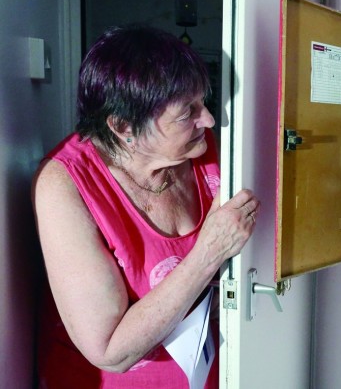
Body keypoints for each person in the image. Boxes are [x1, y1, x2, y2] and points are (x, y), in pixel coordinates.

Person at [32, 25, 259, 388]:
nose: (209, 120)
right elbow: (110, 351)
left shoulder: (203, 149)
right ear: (124, 126)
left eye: (203, 102)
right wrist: (209, 252)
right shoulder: (65, 183)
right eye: (187, 113)